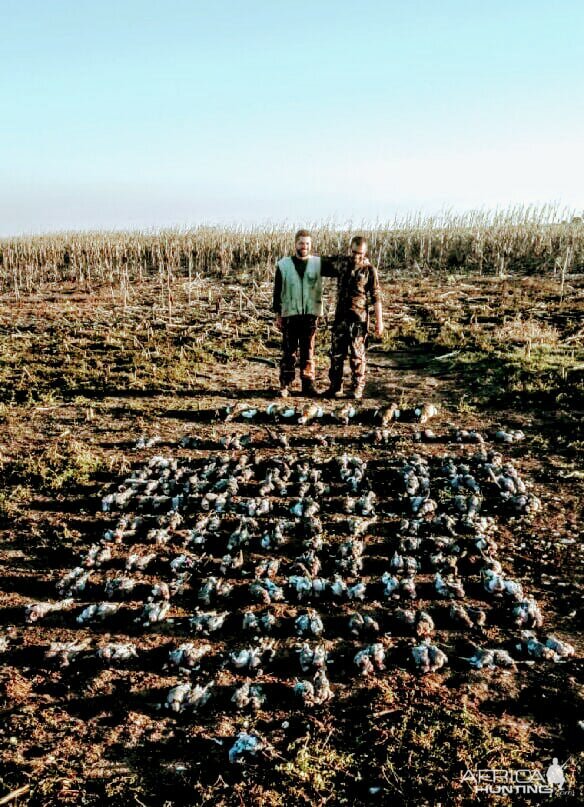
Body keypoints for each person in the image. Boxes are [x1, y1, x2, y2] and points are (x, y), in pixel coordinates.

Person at [272, 229, 332, 397]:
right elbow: (277, 291)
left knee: (308, 351)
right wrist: (278, 315)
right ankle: (285, 385)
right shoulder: (283, 265)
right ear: (295, 244)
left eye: (307, 244)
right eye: (301, 243)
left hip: (310, 315)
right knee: (288, 352)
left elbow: (341, 267)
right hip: (290, 314)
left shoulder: (318, 263)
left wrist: (361, 260)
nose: (304, 246)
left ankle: (308, 385)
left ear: (311, 245)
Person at [323, 235, 383, 400]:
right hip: (341, 318)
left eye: (361, 253)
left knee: (357, 355)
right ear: (350, 249)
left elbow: (376, 298)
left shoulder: (369, 270)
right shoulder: (342, 263)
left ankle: (357, 388)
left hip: (358, 319)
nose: (357, 256)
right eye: (355, 252)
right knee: (336, 354)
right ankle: (335, 386)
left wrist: (380, 322)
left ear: (366, 252)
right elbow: (319, 264)